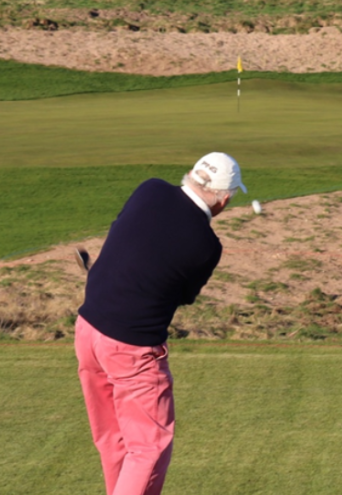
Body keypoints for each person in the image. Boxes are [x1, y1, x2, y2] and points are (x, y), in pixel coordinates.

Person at [74, 151, 246, 495]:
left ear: (192, 174)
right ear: (224, 199)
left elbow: (121, 233)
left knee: (114, 440)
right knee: (148, 449)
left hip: (88, 331)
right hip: (132, 349)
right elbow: (184, 295)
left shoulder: (149, 188)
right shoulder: (207, 245)